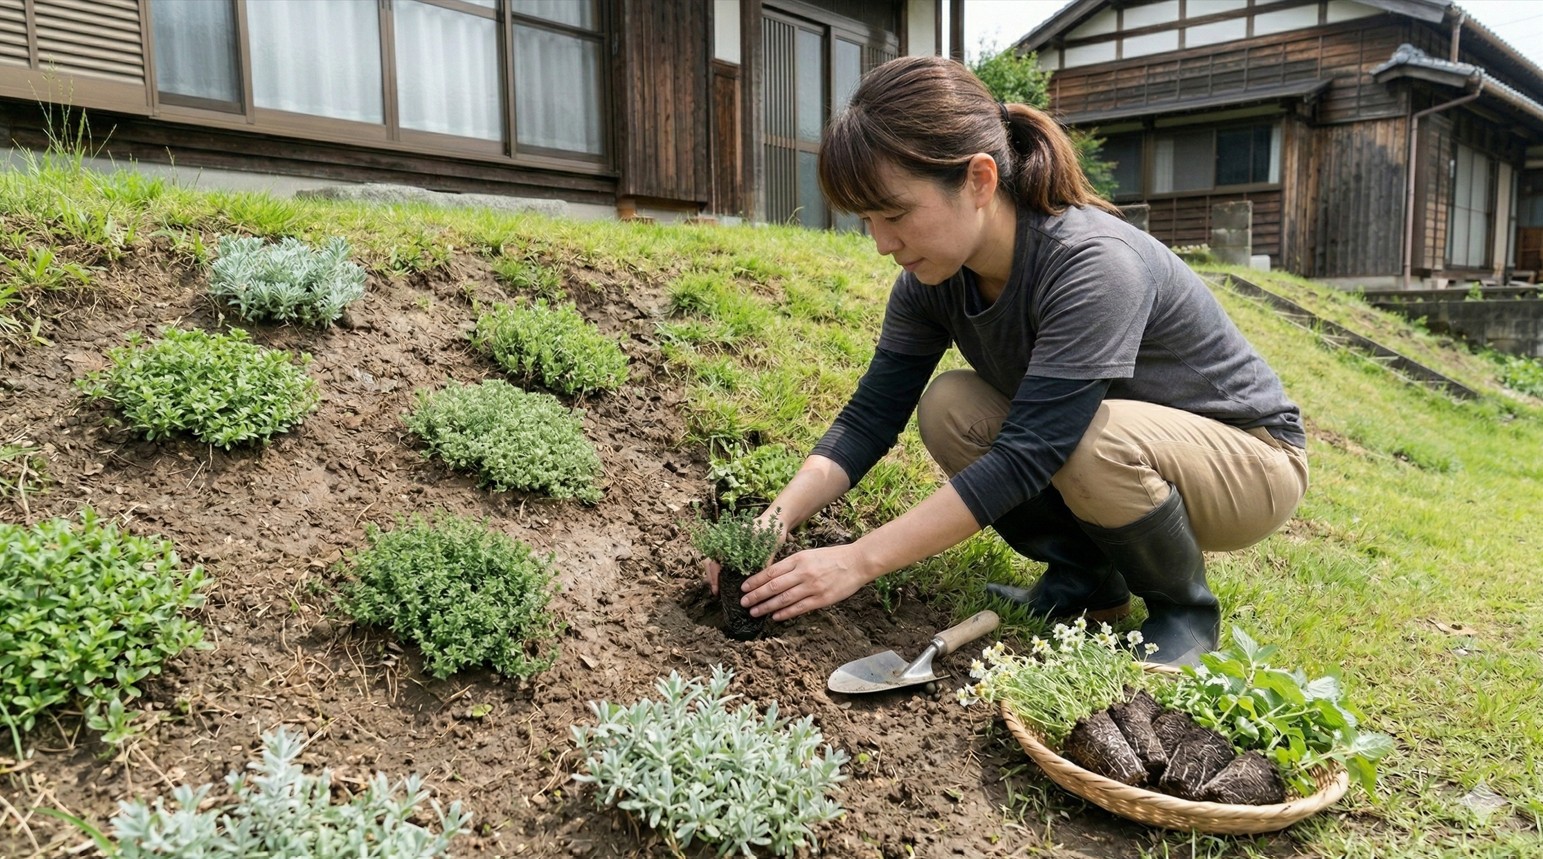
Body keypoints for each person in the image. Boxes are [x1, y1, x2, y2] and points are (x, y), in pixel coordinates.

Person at [704, 56, 1308, 666]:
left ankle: (1184, 612)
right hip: (1118, 443)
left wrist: (858, 560)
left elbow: (1028, 454)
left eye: (895, 213)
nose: (883, 243)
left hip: (1251, 461)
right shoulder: (933, 280)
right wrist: (776, 518)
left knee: (1090, 441)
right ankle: (1087, 582)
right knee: (950, 406)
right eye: (867, 220)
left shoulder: (1092, 263)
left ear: (979, 180)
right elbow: (869, 417)